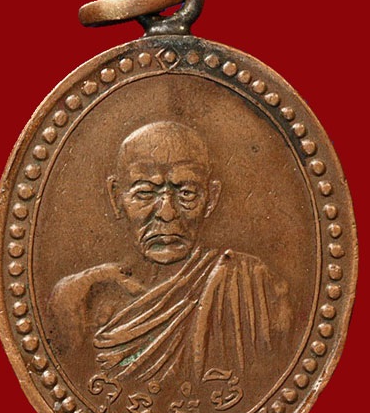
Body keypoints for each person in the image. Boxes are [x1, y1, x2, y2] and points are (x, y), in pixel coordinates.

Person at [48, 121, 293, 389]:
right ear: (116, 196)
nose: (167, 213)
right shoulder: (79, 299)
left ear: (211, 198)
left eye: (186, 193)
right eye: (144, 193)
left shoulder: (256, 287)